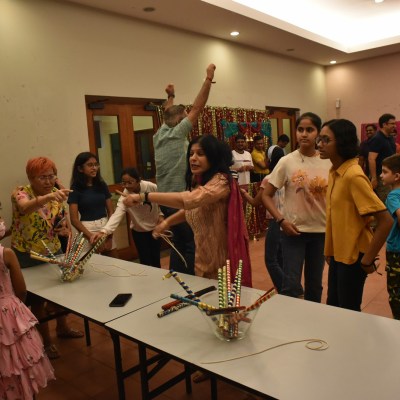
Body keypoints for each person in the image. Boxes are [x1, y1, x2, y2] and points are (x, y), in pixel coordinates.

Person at [123, 135, 252, 286]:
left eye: (200, 154)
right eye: (191, 154)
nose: (193, 158)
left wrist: (144, 196)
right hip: (203, 257)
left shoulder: (221, 182)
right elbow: (193, 209)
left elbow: (189, 200)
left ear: (213, 157)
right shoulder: (200, 181)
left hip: (222, 261)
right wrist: (167, 222)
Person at [10, 156, 83, 359]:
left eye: (52, 176)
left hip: (52, 251)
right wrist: (50, 196)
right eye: (43, 177)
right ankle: (46, 342)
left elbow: (63, 222)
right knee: (37, 301)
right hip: (27, 254)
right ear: (31, 178)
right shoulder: (20, 192)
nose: (48, 181)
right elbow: (25, 207)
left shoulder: (56, 195)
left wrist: (64, 230)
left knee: (60, 293)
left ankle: (62, 327)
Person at [318, 119, 392, 312]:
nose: (320, 144)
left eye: (326, 140)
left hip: (354, 255)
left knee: (348, 311)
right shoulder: (335, 172)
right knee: (334, 306)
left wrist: (367, 259)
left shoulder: (353, 175)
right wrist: (329, 250)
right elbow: (338, 218)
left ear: (342, 142)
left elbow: (386, 221)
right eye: (320, 139)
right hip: (339, 253)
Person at [153, 64, 216, 275]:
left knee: (179, 243)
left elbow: (168, 113)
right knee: (191, 244)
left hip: (165, 201)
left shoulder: (159, 134)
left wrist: (170, 96)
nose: (189, 117)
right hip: (179, 199)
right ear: (181, 121)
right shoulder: (178, 133)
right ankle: (191, 282)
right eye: (185, 116)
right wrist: (208, 79)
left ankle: (176, 279)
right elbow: (198, 107)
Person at [262, 112, 331, 302]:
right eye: (300, 129)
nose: (304, 134)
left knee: (314, 285)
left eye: (310, 130)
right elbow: (266, 195)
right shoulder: (286, 161)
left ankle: (312, 319)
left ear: (318, 133)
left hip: (321, 232)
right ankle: (290, 320)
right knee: (291, 286)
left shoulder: (328, 161)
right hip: (293, 232)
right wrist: (281, 220)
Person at [0, 218, 55, 399]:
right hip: (8, 313)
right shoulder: (6, 254)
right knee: (19, 359)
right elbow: (21, 290)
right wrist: (16, 305)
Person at [91, 167, 164, 268]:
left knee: (156, 259)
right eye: (124, 183)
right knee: (145, 262)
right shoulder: (124, 197)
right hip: (139, 231)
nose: (127, 186)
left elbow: (162, 199)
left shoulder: (151, 186)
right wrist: (104, 232)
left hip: (155, 228)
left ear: (139, 180)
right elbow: (116, 216)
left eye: (130, 182)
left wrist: (161, 215)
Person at [68, 152, 116, 256]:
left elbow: (111, 211)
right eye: (90, 165)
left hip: (106, 227)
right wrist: (91, 237)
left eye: (96, 164)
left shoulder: (102, 185)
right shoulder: (75, 188)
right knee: (89, 263)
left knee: (113, 261)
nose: (94, 168)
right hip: (87, 229)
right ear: (80, 169)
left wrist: (110, 236)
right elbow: (74, 220)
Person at [241, 176, 284, 292]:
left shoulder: (269, 179)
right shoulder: (288, 175)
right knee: (281, 257)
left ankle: (286, 288)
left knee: (271, 260)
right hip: (288, 220)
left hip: (276, 220)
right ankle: (288, 289)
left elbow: (255, 202)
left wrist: (244, 193)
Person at [380, 154, 400, 319]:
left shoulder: (393, 195)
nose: (381, 175)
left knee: (396, 294)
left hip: (396, 252)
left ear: (396, 176)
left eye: (385, 172)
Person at [368, 113, 396, 202]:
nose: (394, 126)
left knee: (393, 198)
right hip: (381, 176)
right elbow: (371, 159)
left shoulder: (390, 138)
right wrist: (374, 178)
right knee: (387, 201)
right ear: (384, 124)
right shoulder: (377, 138)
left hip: (391, 175)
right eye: (392, 124)